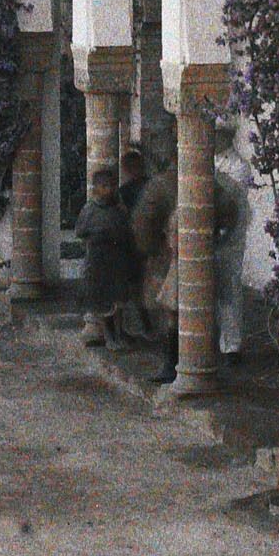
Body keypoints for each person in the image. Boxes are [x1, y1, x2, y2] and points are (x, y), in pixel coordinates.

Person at [75, 166, 137, 349]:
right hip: (98, 260)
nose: (109, 190)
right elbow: (81, 231)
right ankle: (109, 337)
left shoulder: (118, 210)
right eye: (104, 186)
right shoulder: (90, 209)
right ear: (96, 188)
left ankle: (120, 333)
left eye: (111, 186)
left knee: (119, 301)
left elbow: (126, 230)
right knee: (104, 302)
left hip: (117, 260)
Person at [130, 153, 178, 381]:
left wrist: (148, 250)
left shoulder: (160, 186)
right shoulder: (211, 180)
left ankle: (173, 363)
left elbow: (143, 223)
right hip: (183, 255)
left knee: (170, 310)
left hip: (170, 256)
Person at [213, 119, 254, 365]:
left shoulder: (239, 166)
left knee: (229, 289)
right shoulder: (210, 161)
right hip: (213, 230)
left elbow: (230, 197)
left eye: (218, 136)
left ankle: (231, 346)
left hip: (231, 234)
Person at [117, 148, 151, 336]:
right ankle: (146, 325)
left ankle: (144, 325)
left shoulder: (126, 191)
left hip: (136, 243)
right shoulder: (151, 185)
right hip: (147, 241)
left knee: (136, 287)